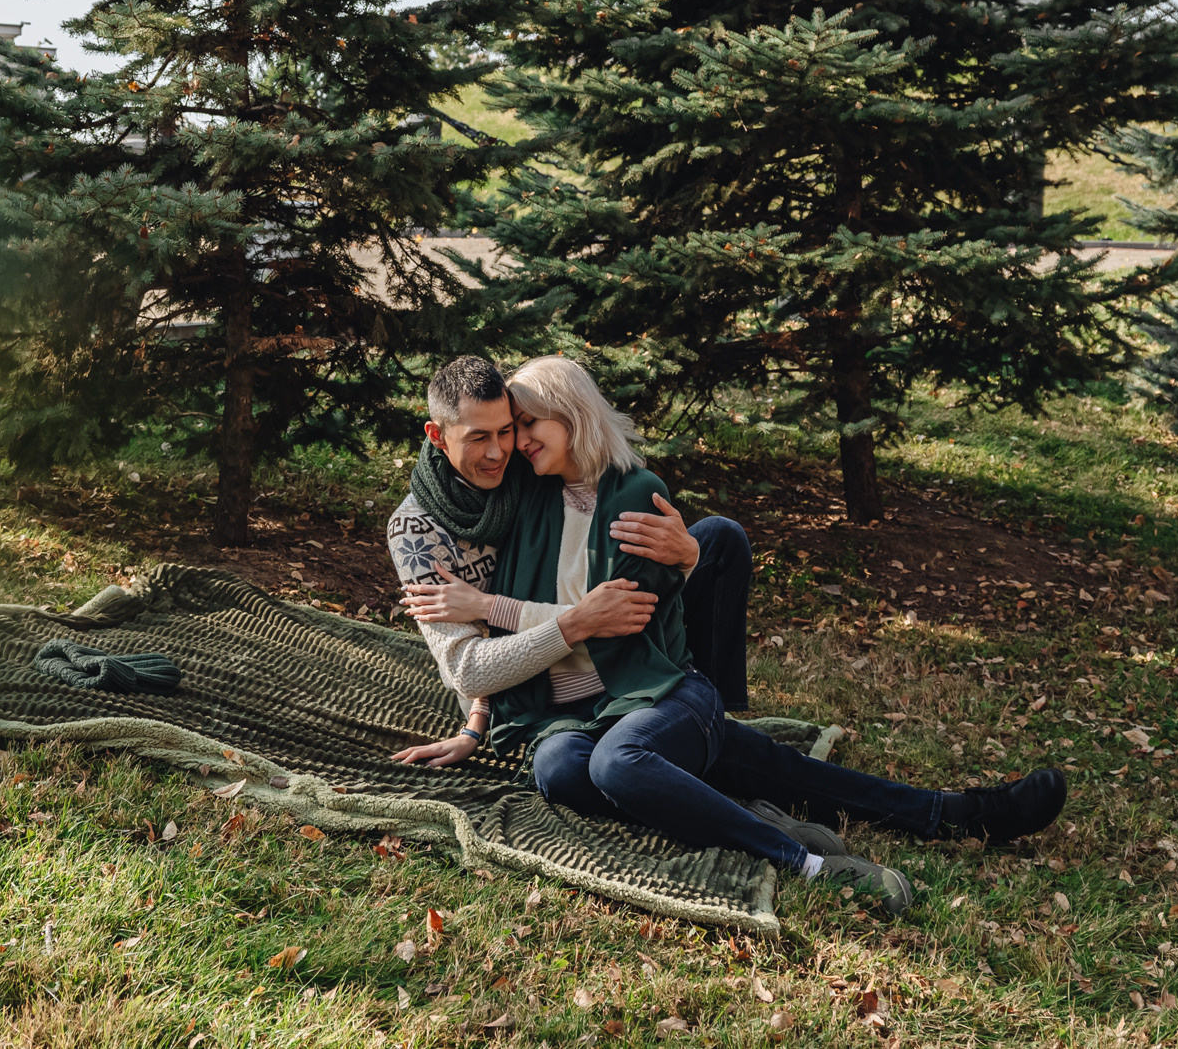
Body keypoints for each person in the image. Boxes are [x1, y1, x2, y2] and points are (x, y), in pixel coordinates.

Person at [385, 354, 1067, 918]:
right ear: (438, 437)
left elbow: (607, 615)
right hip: (558, 706)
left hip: (634, 683)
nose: (502, 449)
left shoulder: (549, 477)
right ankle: (767, 799)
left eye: (514, 429)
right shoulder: (437, 522)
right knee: (570, 769)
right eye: (485, 437)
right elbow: (473, 662)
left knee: (712, 548)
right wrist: (478, 720)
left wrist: (682, 558)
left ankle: (889, 830)